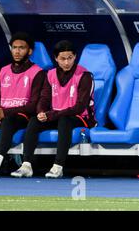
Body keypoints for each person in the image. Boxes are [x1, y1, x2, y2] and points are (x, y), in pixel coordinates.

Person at [11, 40, 96, 179]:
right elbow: (43, 98)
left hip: (80, 117)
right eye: (63, 59)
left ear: (75, 57)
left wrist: (51, 115)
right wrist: (41, 113)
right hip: (56, 115)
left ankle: (58, 166)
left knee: (65, 120)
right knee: (34, 121)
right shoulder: (50, 74)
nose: (67, 62)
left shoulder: (85, 76)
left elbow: (79, 107)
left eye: (70, 58)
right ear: (56, 58)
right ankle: (26, 165)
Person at [0, 32, 45, 177]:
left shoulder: (38, 73)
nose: (17, 51)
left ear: (30, 51)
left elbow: (34, 105)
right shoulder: (3, 71)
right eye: (14, 47)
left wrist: (5, 112)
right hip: (0, 115)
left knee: (9, 120)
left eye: (21, 48)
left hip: (22, 117)